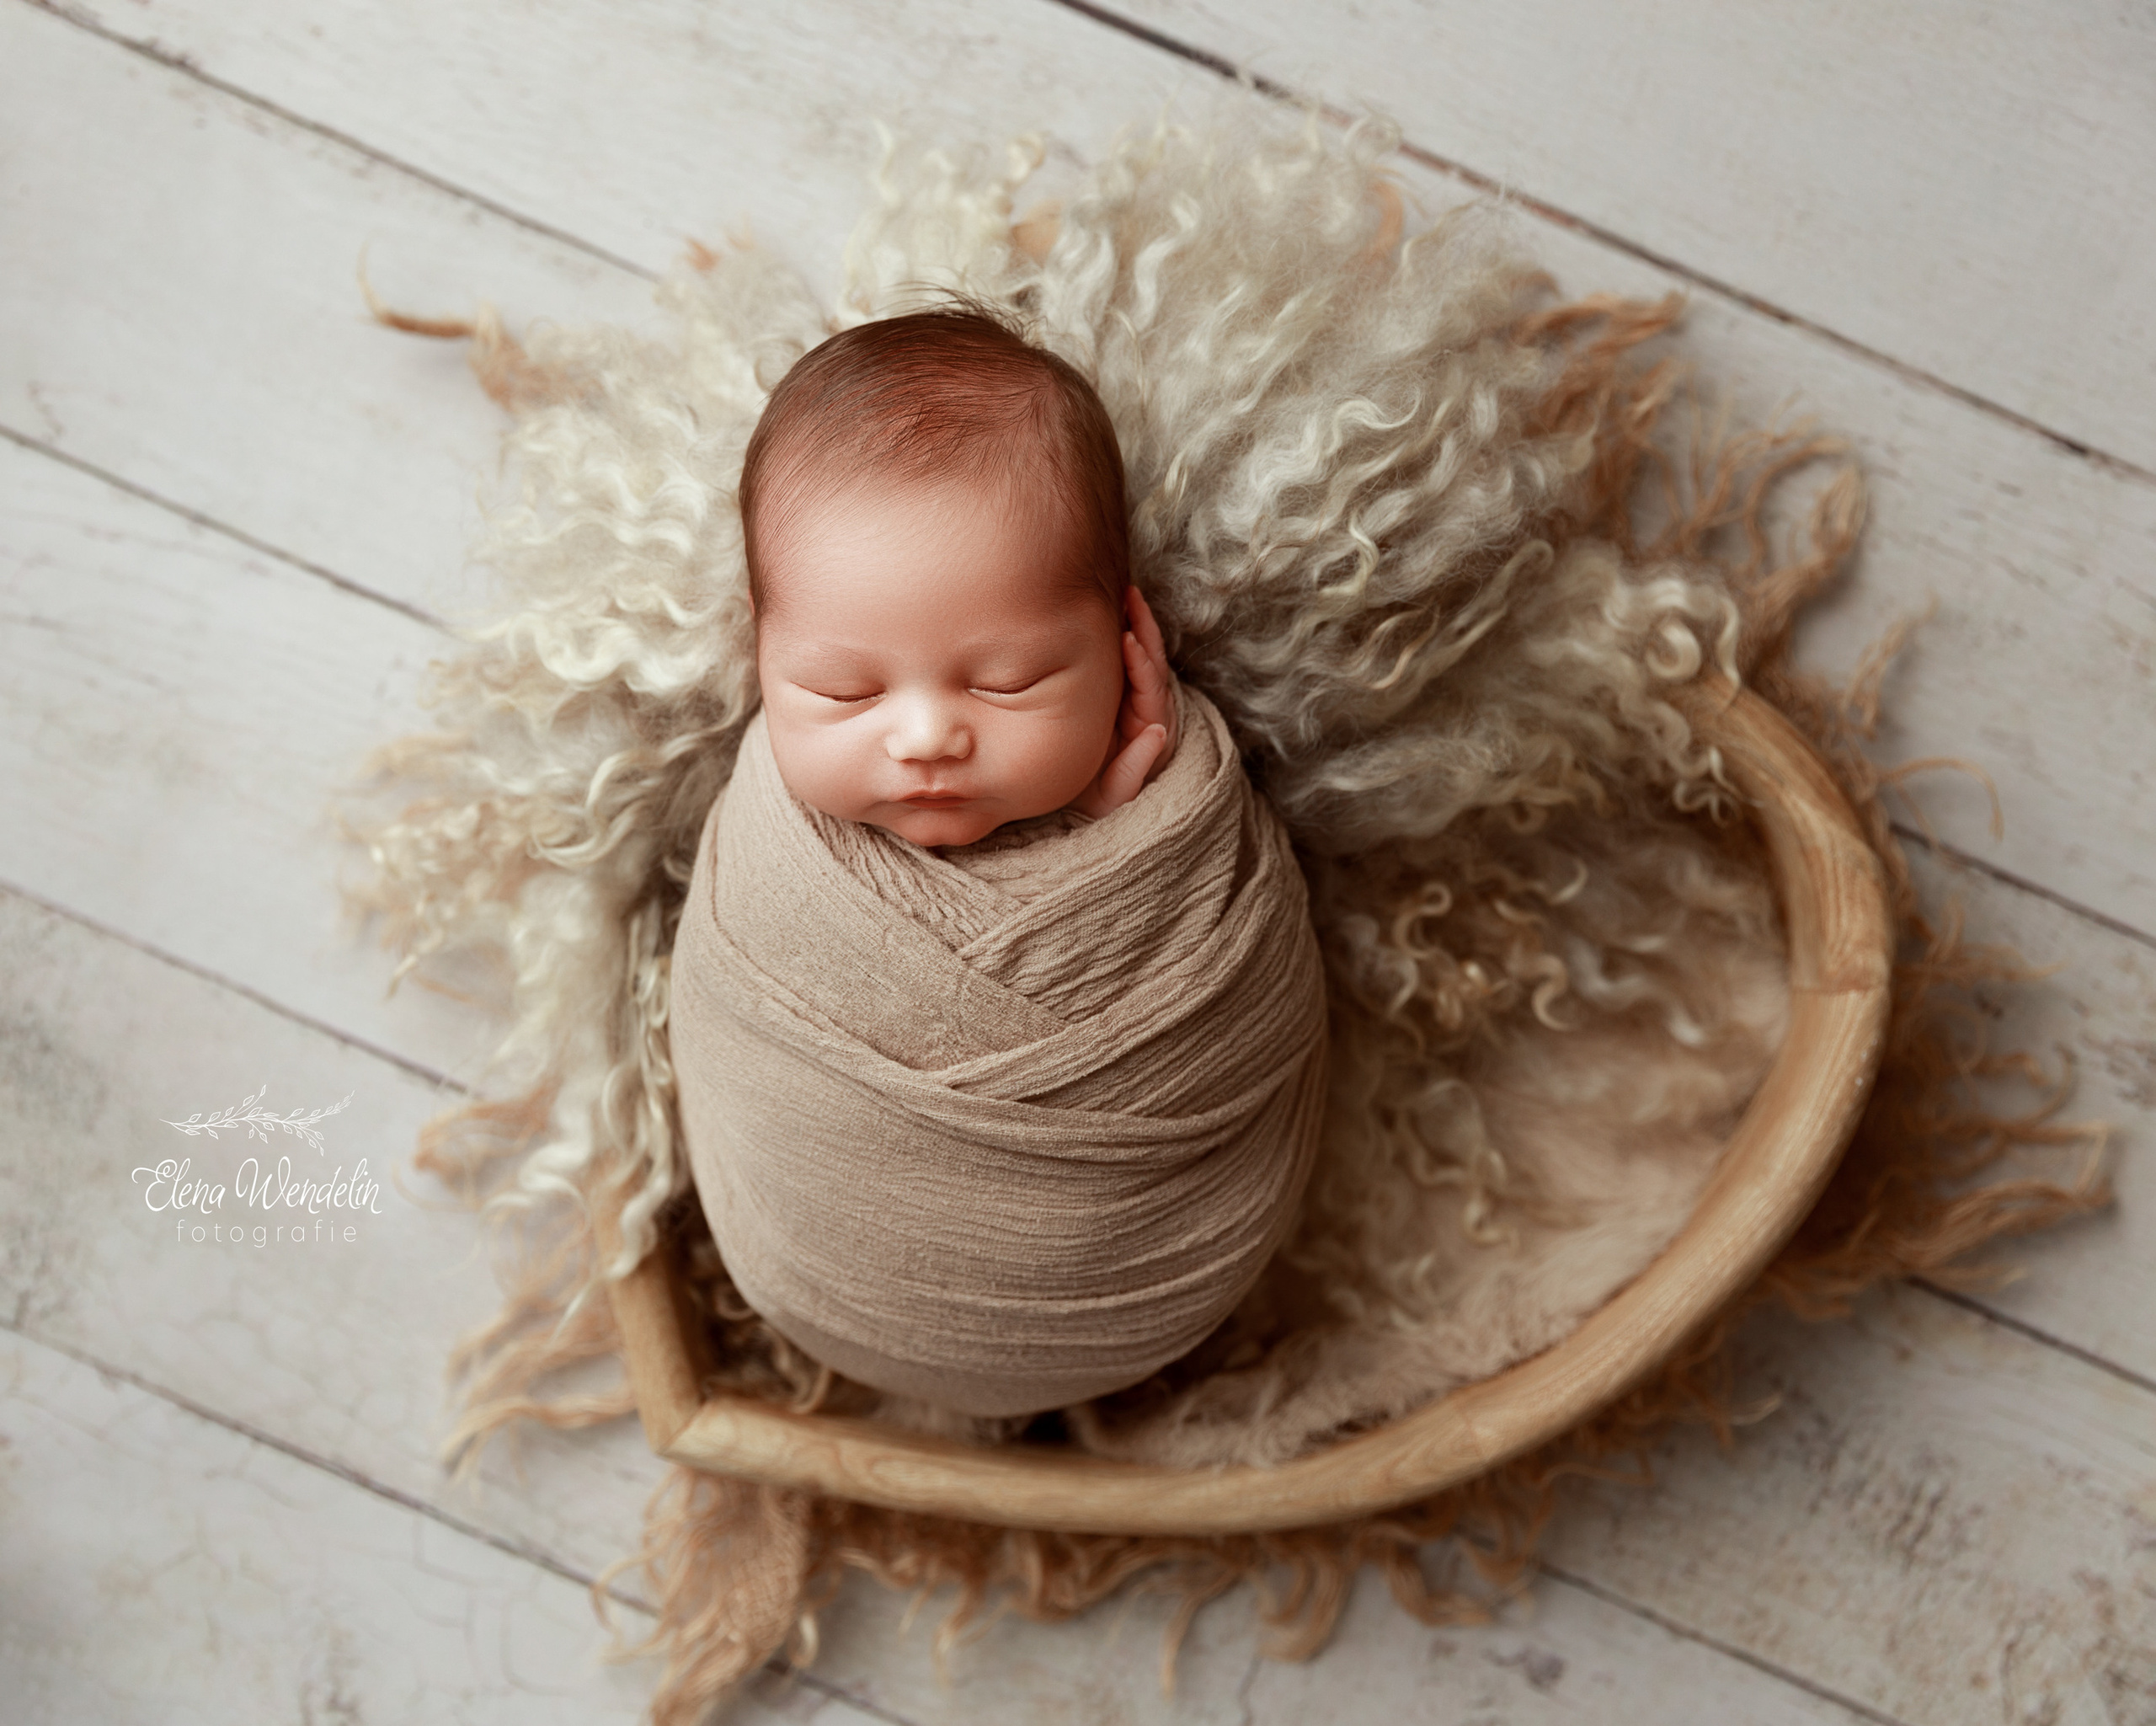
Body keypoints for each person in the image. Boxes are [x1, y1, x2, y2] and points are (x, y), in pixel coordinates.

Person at [738, 306, 1180, 850]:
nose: (926, 740)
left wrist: (1127, 814)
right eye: (844, 691)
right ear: (760, 642)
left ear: (1121, 631)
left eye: (1008, 683)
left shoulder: (1164, 779)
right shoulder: (762, 840)